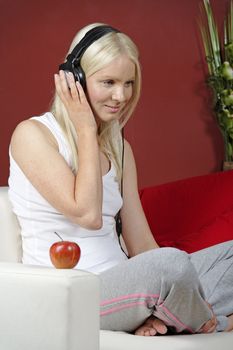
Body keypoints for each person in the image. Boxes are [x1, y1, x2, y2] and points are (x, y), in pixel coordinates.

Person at [8, 22, 233, 336]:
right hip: (75, 296)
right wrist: (86, 129)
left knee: (193, 260)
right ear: (76, 79)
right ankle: (208, 321)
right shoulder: (33, 135)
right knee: (170, 266)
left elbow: (142, 245)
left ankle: (170, 313)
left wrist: (172, 277)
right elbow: (86, 214)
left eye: (128, 83)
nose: (121, 95)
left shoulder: (119, 149)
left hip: (129, 288)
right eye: (109, 81)